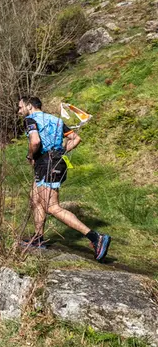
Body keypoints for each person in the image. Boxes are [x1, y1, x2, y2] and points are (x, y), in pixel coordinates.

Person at [18, 96, 111, 261]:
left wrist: (30, 155)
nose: (19, 111)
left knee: (52, 207)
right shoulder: (57, 120)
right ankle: (38, 239)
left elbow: (35, 141)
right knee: (35, 199)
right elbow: (75, 138)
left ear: (29, 106)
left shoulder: (30, 119)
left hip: (47, 164)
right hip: (52, 162)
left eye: (20, 107)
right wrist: (59, 153)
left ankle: (96, 237)